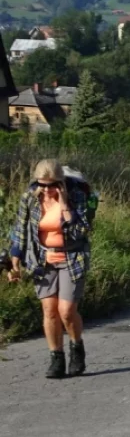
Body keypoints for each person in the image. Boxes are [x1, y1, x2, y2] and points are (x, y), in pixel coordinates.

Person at [7, 159, 93, 379]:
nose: (46, 189)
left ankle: (77, 348)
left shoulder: (77, 197)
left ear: (62, 182)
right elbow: (20, 227)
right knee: (49, 310)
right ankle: (56, 358)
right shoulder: (31, 198)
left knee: (66, 311)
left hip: (72, 257)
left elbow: (81, 232)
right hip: (42, 259)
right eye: (42, 184)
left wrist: (65, 206)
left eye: (52, 184)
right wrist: (15, 255)